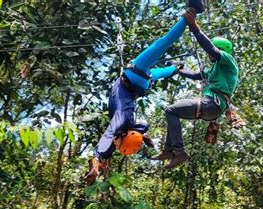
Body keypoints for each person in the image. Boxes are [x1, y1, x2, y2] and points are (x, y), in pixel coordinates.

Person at [85, 1, 205, 184]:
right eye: (119, 145)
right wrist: (96, 160)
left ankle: (175, 69)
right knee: (162, 44)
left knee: (162, 68)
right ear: (124, 138)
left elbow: (111, 143)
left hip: (141, 83)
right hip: (134, 75)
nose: (115, 145)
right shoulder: (122, 122)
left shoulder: (126, 127)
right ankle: (192, 12)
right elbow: (107, 139)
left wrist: (98, 163)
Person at [152, 8, 241, 169]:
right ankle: (168, 150)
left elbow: (210, 49)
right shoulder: (214, 69)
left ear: (222, 49)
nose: (209, 56)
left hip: (212, 103)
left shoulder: (228, 61)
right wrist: (178, 70)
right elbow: (195, 75)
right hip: (212, 107)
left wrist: (194, 27)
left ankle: (179, 152)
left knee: (170, 110)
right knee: (172, 112)